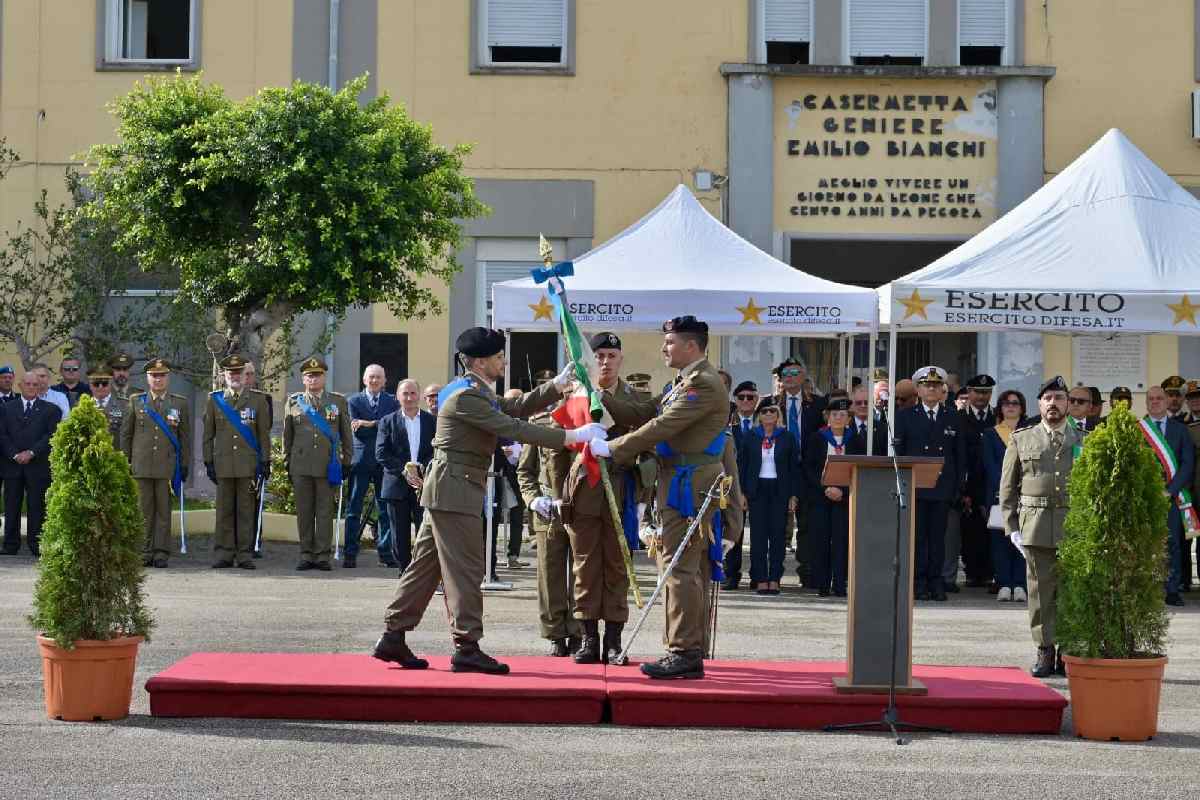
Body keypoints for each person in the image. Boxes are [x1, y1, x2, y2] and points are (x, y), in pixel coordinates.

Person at [373, 327, 600, 675]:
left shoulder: (471, 390)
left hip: (448, 487)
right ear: (480, 361)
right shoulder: (466, 397)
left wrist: (555, 386)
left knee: (425, 568)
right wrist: (572, 436)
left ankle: (393, 635)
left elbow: (513, 406)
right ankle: (467, 645)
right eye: (498, 357)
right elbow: (513, 427)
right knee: (466, 569)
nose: (503, 362)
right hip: (456, 489)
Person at [589, 316, 733, 680]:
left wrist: (611, 447)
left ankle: (684, 651)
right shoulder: (681, 382)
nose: (663, 348)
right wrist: (601, 393)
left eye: (669, 342)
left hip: (690, 483)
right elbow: (642, 412)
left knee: (680, 567)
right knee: (679, 566)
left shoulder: (703, 385)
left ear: (690, 346)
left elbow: (661, 427)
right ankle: (684, 647)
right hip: (679, 478)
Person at [561, 332, 656, 665]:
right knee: (585, 565)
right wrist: (556, 492)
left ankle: (613, 640)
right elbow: (562, 443)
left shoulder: (637, 397)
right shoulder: (576, 393)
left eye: (611, 356)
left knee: (618, 565)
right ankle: (588, 638)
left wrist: (644, 498)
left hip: (622, 487)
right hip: (585, 487)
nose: (604, 361)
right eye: (599, 355)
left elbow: (646, 437)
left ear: (621, 359)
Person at [999, 376, 1081, 678]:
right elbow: (1007, 488)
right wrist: (1012, 527)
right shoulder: (1022, 438)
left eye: (1059, 398)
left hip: (1075, 526)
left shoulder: (1083, 439)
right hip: (1035, 526)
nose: (1053, 404)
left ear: (1068, 405)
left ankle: (1068, 651)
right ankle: (1045, 650)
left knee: (1072, 593)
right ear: (1039, 404)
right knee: (1040, 592)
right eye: (1048, 399)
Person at [516, 370, 582, 657]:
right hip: (548, 507)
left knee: (582, 574)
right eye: (567, 387)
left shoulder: (595, 424)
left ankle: (580, 632)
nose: (571, 392)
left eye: (576, 388)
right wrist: (533, 500)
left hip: (583, 508)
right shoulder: (540, 424)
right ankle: (556, 633)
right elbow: (525, 471)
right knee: (550, 574)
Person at [893, 366, 965, 602]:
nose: (931, 389)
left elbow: (959, 456)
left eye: (936, 385)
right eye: (926, 385)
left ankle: (936, 582)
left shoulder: (953, 416)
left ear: (943, 388)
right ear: (918, 389)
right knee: (918, 538)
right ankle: (918, 582)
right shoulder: (905, 416)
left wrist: (957, 489)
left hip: (942, 488)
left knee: (938, 539)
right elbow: (899, 453)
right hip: (916, 486)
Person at [121, 358, 192, 569]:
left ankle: (161, 552)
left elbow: (185, 436)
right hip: (141, 465)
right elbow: (127, 434)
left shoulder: (179, 403)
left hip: (166, 465)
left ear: (167, 378)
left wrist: (185, 464)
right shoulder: (136, 401)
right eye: (154, 376)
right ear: (147, 378)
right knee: (143, 510)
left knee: (163, 511)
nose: (158, 380)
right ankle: (144, 550)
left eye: (162, 376)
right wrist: (126, 461)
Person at [203, 354, 272, 570]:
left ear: (245, 376)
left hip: (247, 465)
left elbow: (263, 435)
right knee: (224, 511)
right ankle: (223, 553)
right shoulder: (215, 400)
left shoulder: (258, 400)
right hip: (223, 464)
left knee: (245, 510)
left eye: (239, 373)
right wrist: (208, 462)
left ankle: (244, 554)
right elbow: (208, 435)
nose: (235, 376)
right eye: (231, 373)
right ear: (224, 375)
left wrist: (265, 461)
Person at [283, 357, 352, 571]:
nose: (313, 379)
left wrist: (347, 460)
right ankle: (306, 553)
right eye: (309, 376)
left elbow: (346, 433)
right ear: (303, 379)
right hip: (301, 465)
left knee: (324, 511)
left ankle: (322, 555)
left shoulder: (337, 401)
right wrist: (287, 461)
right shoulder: (294, 402)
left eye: (317, 375)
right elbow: (288, 435)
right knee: (304, 511)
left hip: (327, 464)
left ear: (324, 377)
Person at [1141, 385, 1195, 607]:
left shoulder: (1180, 430)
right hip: (1144, 498)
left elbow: (1188, 463)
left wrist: (1170, 491)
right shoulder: (1137, 429)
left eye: (1159, 398)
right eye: (1151, 398)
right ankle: (1146, 589)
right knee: (1145, 544)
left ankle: (1172, 590)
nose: (1155, 401)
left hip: (1172, 497)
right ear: (1146, 403)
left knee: (1172, 543)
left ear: (1166, 402)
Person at [770, 357, 822, 584]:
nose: (791, 377)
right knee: (778, 525)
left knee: (808, 525)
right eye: (786, 374)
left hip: (808, 471)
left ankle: (808, 572)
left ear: (803, 377)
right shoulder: (770, 404)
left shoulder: (818, 404)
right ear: (780, 379)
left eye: (795, 373)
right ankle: (774, 574)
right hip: (780, 471)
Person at [375, 378, 435, 572]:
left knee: (424, 531)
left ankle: (421, 570)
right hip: (396, 484)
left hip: (423, 483)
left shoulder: (431, 421)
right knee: (398, 533)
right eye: (405, 394)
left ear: (419, 396)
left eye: (412, 393)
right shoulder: (387, 421)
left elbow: (436, 451)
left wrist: (422, 470)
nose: (409, 397)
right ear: (398, 397)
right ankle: (404, 571)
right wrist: (404, 471)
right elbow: (381, 453)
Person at [343, 364, 400, 568]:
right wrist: (379, 425)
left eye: (378, 377)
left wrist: (369, 423)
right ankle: (350, 552)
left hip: (384, 463)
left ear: (385, 380)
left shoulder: (392, 401)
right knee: (353, 509)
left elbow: (393, 427)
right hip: (361, 461)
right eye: (371, 377)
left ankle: (385, 552)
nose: (375, 380)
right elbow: (357, 431)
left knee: (385, 509)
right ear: (364, 379)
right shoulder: (353, 401)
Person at [741, 397, 799, 595]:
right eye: (764, 411)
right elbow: (743, 466)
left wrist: (793, 495)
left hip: (779, 489)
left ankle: (774, 577)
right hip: (757, 490)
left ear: (778, 415)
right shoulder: (751, 436)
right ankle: (760, 578)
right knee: (757, 536)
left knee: (777, 535)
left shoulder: (787, 437)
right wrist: (742, 493)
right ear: (759, 415)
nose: (768, 415)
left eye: (772, 411)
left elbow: (793, 468)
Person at [804, 397, 860, 598]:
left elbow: (858, 468)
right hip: (821, 497)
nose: (838, 418)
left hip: (843, 498)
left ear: (848, 419)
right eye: (834, 414)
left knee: (841, 540)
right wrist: (825, 488)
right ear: (827, 417)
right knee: (821, 540)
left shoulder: (854, 439)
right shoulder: (817, 438)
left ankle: (839, 583)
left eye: (842, 415)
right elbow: (809, 468)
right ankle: (823, 583)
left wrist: (842, 492)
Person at [0, 372, 60, 557]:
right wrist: (15, 454)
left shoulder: (51, 410)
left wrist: (31, 452)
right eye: (28, 384)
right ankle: (10, 544)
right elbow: (2, 435)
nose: (32, 387)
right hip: (12, 465)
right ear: (20, 385)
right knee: (11, 505)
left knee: (37, 506)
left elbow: (50, 436)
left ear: (39, 387)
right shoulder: (6, 408)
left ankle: (36, 544)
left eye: (35, 384)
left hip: (37, 465)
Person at [982, 389, 1028, 603]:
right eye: (1006, 403)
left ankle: (1020, 584)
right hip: (998, 495)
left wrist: (1020, 489)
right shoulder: (990, 433)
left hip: (1025, 494)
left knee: (1022, 540)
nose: (1010, 406)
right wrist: (1003, 491)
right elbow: (990, 466)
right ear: (1000, 408)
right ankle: (1003, 583)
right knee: (1000, 542)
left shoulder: (1030, 432)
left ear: (1022, 407)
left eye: (1015, 403)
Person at [958, 374, 997, 591]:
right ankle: (973, 572)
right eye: (977, 392)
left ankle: (990, 572)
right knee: (970, 530)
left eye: (986, 392)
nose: (982, 397)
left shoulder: (996, 418)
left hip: (991, 482)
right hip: (969, 482)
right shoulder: (959, 418)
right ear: (969, 393)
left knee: (991, 528)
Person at [723, 379, 760, 589]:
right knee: (733, 530)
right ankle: (731, 574)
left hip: (758, 485)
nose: (746, 401)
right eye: (741, 397)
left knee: (759, 534)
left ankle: (758, 575)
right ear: (735, 400)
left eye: (751, 397)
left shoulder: (764, 419)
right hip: (732, 483)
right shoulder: (728, 420)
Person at [1179, 380, 1200, 591]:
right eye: (1192, 399)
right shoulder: (1181, 425)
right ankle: (1184, 581)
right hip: (1186, 493)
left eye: (1198, 398)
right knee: (1184, 537)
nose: (1196, 402)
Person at [88, 365, 127, 447]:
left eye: (105, 383)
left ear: (111, 383)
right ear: (90, 385)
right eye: (96, 384)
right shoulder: (81, 407)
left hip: (117, 456)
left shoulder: (125, 405)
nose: (100, 387)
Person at [849, 385, 888, 455]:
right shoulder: (845, 428)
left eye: (866, 402)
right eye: (859, 403)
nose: (863, 405)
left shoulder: (883, 429)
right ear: (852, 405)